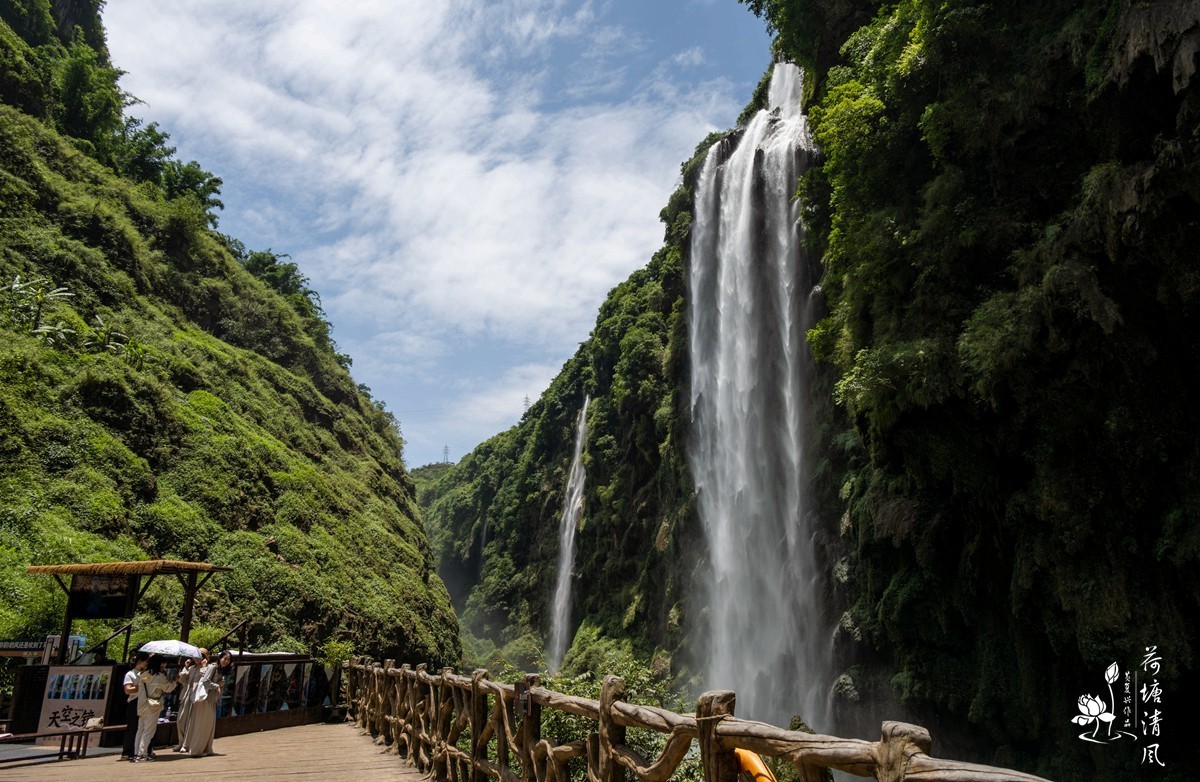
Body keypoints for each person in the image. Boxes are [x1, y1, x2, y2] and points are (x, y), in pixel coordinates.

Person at [182, 648, 229, 757]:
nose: (226, 661)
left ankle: (206, 749)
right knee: (201, 725)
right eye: (224, 659)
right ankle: (196, 750)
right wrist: (217, 685)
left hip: (210, 699)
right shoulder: (212, 667)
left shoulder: (218, 669)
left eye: (228, 660)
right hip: (205, 699)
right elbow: (205, 681)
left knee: (208, 725)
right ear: (220, 658)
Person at [134, 654, 177, 762]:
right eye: (163, 664)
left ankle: (136, 754)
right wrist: (175, 681)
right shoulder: (159, 676)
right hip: (153, 706)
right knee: (148, 731)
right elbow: (168, 688)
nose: (164, 666)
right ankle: (142, 754)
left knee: (140, 730)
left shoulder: (143, 675)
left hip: (142, 705)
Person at [120, 652, 149, 761]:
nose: (147, 664)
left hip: (144, 701)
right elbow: (127, 690)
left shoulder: (146, 673)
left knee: (143, 727)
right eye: (146, 662)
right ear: (140, 662)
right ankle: (127, 752)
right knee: (132, 726)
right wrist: (139, 686)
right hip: (134, 701)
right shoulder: (130, 674)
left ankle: (140, 750)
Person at [173, 654, 200, 752]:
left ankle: (186, 744)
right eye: (195, 656)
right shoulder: (191, 668)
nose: (196, 658)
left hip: (196, 697)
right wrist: (186, 667)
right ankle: (181, 742)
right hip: (186, 695)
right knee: (181, 719)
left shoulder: (206, 669)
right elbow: (182, 680)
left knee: (190, 721)